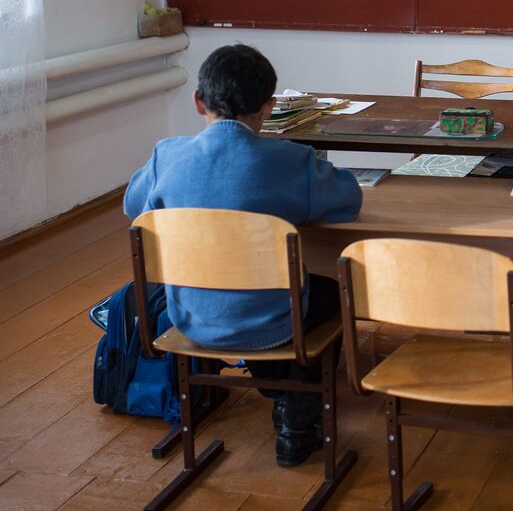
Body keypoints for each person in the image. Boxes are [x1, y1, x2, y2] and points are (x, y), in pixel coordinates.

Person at [122, 44, 362, 466]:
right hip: (273, 321)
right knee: (336, 292)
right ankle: (296, 420)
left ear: (198, 101)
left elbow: (133, 205)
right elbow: (349, 199)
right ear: (269, 107)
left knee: (262, 290)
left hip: (191, 314)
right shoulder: (291, 161)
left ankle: (282, 395)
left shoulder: (166, 156)